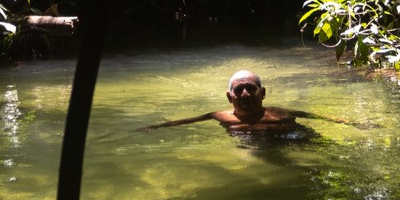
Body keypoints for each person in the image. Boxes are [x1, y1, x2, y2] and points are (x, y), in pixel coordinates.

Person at [148, 69, 361, 135]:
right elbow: (185, 122)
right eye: (238, 90)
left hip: (290, 137)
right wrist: (156, 126)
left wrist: (351, 123)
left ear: (262, 93)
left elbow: (316, 116)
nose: (245, 95)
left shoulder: (280, 113)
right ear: (229, 97)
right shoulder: (219, 116)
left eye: (250, 88)